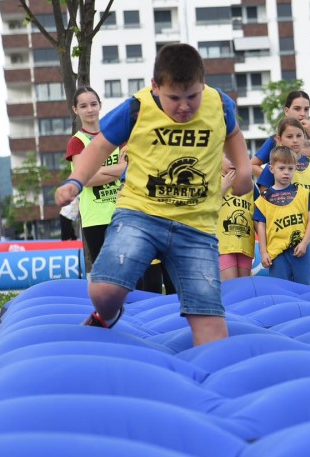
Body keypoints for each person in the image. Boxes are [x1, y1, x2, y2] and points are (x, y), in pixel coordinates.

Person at [55, 43, 253, 346]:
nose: (184, 107)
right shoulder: (137, 108)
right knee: (103, 291)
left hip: (196, 225)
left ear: (203, 85)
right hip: (140, 215)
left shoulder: (220, 104)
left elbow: (233, 133)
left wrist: (243, 169)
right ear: (156, 87)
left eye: (192, 96)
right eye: (174, 98)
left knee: (212, 330)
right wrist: (75, 182)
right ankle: (107, 315)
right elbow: (100, 146)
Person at [257, 117, 310, 266]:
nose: (295, 140)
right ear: (279, 139)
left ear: (304, 137)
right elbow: (264, 208)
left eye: (299, 135)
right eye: (289, 136)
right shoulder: (272, 168)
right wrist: (264, 246)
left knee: (309, 276)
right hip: (281, 237)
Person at [65, 86, 126, 266]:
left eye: (93, 104)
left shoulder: (117, 136)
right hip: (95, 219)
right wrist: (119, 171)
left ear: (100, 105)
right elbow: (86, 179)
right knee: (105, 275)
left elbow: (130, 169)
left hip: (124, 213)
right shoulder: (77, 142)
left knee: (130, 273)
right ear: (75, 110)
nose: (90, 109)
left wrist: (96, 171)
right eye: (83, 106)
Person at [254, 146, 310, 286]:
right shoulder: (264, 199)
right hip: (277, 254)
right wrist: (263, 253)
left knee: (307, 288)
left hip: (301, 250)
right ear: (271, 169)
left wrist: (304, 243)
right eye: (281, 168)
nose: (286, 172)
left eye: (290, 168)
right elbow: (261, 227)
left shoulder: (303, 193)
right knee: (281, 290)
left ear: (295, 169)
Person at [252, 90, 310, 177]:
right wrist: (274, 179)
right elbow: (252, 165)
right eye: (297, 109)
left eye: (306, 109)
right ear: (286, 111)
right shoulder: (276, 139)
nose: (302, 114)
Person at [218, 156, 258, 281]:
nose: (233, 160)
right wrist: (223, 187)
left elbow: (257, 216)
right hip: (223, 246)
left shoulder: (249, 185)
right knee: (231, 287)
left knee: (244, 287)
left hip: (244, 245)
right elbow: (204, 209)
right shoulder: (212, 180)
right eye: (228, 156)